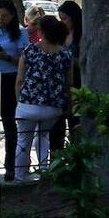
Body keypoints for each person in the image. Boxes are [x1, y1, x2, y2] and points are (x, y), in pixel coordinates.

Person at [13, 15, 72, 182]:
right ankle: (45, 172)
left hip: (28, 104)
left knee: (23, 140)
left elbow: (19, 80)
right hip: (53, 106)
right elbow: (69, 84)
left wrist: (20, 100)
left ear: (41, 31)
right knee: (44, 137)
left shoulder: (30, 51)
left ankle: (20, 176)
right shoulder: (65, 54)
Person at [0, 0, 29, 181]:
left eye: (5, 16)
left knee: (9, 123)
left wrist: (6, 57)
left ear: (12, 15)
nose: (1, 19)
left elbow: (25, 61)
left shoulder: (20, 33)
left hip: (9, 78)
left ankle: (10, 166)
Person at [50, 0, 83, 153]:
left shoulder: (83, 35)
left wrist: (68, 59)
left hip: (78, 84)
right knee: (57, 124)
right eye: (60, 18)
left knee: (76, 121)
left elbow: (85, 61)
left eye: (65, 18)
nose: (62, 22)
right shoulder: (60, 34)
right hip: (60, 84)